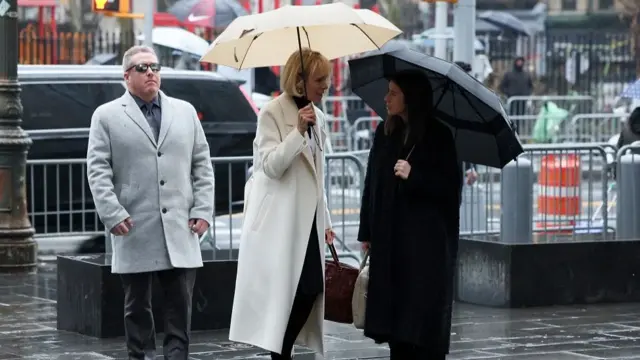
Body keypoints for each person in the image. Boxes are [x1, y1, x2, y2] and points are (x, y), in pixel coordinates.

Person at [86, 45, 215, 360]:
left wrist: (202, 210)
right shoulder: (106, 116)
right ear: (127, 75)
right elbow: (97, 169)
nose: (151, 73)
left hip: (180, 225)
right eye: (143, 68)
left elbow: (202, 164)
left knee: (179, 305)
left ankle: (176, 356)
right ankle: (139, 355)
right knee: (137, 306)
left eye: (155, 67)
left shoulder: (184, 111)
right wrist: (113, 213)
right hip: (135, 224)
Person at [228, 48, 336, 360]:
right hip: (281, 222)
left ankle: (282, 352)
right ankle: (280, 353)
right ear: (300, 80)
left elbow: (318, 174)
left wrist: (326, 220)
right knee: (288, 293)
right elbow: (270, 166)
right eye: (320, 79)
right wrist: (298, 132)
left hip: (309, 221)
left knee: (310, 290)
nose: (326, 85)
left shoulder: (320, 116)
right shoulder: (272, 113)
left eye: (327, 79)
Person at [357, 70, 461, 359]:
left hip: (424, 250)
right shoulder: (385, 132)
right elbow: (372, 184)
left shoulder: (438, 136)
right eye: (387, 91)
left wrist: (415, 176)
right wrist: (366, 231)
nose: (386, 98)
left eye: (393, 93)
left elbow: (450, 190)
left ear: (410, 97)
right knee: (396, 328)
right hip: (391, 245)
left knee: (421, 327)